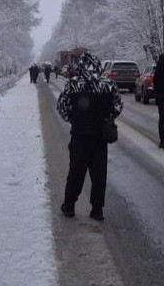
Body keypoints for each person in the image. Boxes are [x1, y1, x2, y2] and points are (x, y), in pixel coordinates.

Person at [56, 52, 123, 221]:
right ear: (98, 65)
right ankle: (97, 210)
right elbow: (118, 106)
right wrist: (107, 119)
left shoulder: (73, 84)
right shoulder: (108, 84)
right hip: (100, 137)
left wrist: (73, 119)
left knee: (76, 172)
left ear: (80, 66)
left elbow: (62, 106)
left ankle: (69, 206)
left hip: (79, 135)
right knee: (99, 174)